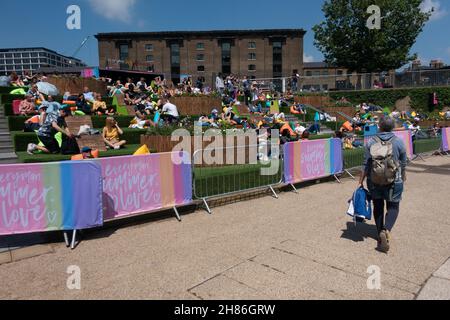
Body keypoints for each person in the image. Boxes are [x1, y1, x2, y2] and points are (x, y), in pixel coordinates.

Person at [359, 117, 407, 254]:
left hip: (374, 180)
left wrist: (361, 180)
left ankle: (379, 231)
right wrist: (403, 174)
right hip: (394, 180)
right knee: (393, 206)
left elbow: (366, 163)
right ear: (392, 127)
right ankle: (386, 230)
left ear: (379, 126)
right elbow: (403, 162)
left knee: (378, 206)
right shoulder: (399, 141)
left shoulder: (371, 141)